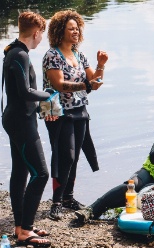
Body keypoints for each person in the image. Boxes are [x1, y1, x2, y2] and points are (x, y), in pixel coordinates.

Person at [42, 10, 107, 220]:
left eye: (77, 28)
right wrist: (85, 84)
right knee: (65, 156)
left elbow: (94, 84)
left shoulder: (80, 55)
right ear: (60, 31)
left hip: (80, 111)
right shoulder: (52, 55)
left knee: (75, 156)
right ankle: (57, 202)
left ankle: (69, 198)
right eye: (71, 28)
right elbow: (59, 84)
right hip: (58, 113)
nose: (76, 31)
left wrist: (101, 66)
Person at [1, 11, 53, 248]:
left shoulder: (15, 52)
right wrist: (52, 94)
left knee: (21, 172)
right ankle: (26, 231)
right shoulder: (19, 54)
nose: (42, 37)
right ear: (36, 32)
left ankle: (20, 226)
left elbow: (24, 93)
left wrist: (45, 109)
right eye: (42, 33)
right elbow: (25, 92)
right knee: (41, 173)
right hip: (21, 121)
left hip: (18, 119)